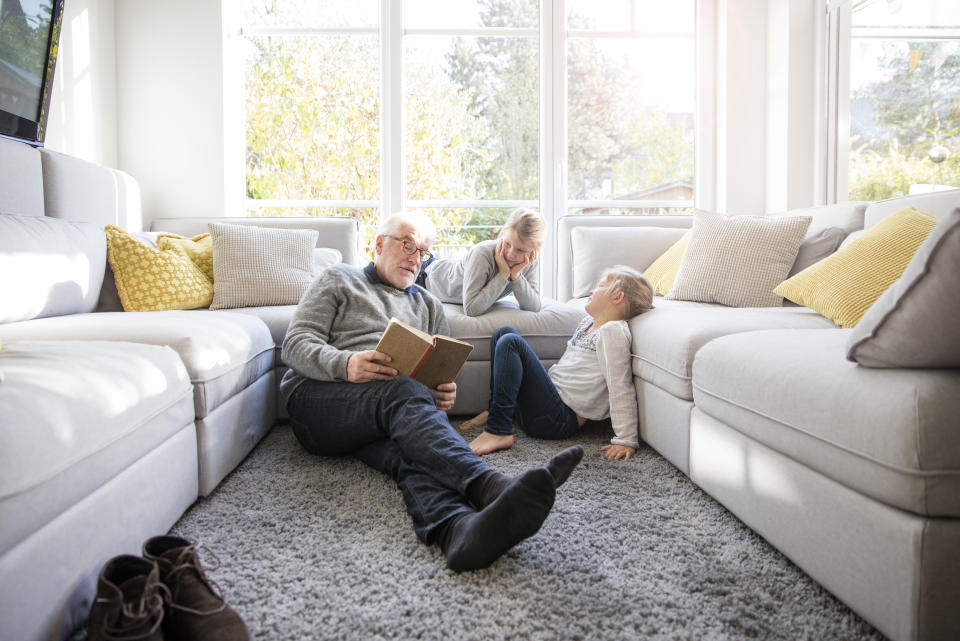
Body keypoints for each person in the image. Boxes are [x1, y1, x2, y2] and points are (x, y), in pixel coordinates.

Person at [280, 211, 584, 572]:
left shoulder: (428, 304)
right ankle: (489, 485)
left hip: (386, 411)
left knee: (414, 450)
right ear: (379, 244)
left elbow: (431, 380)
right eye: (407, 244)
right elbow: (295, 344)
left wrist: (439, 396)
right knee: (401, 391)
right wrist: (346, 364)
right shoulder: (338, 279)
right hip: (317, 403)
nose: (415, 256)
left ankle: (457, 531)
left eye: (422, 251)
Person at [460, 265, 654, 460]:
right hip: (545, 406)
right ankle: (496, 410)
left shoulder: (613, 331)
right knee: (504, 333)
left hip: (558, 420)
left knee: (511, 343)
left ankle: (498, 429)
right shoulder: (588, 323)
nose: (592, 290)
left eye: (601, 285)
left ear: (617, 297)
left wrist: (626, 438)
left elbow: (620, 385)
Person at [416, 208, 544, 317]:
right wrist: (503, 275)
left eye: (520, 250)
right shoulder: (483, 253)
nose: (511, 254)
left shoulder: (529, 262)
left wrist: (516, 276)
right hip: (425, 277)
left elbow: (534, 306)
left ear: (534, 250)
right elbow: (471, 309)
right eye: (507, 243)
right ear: (503, 234)